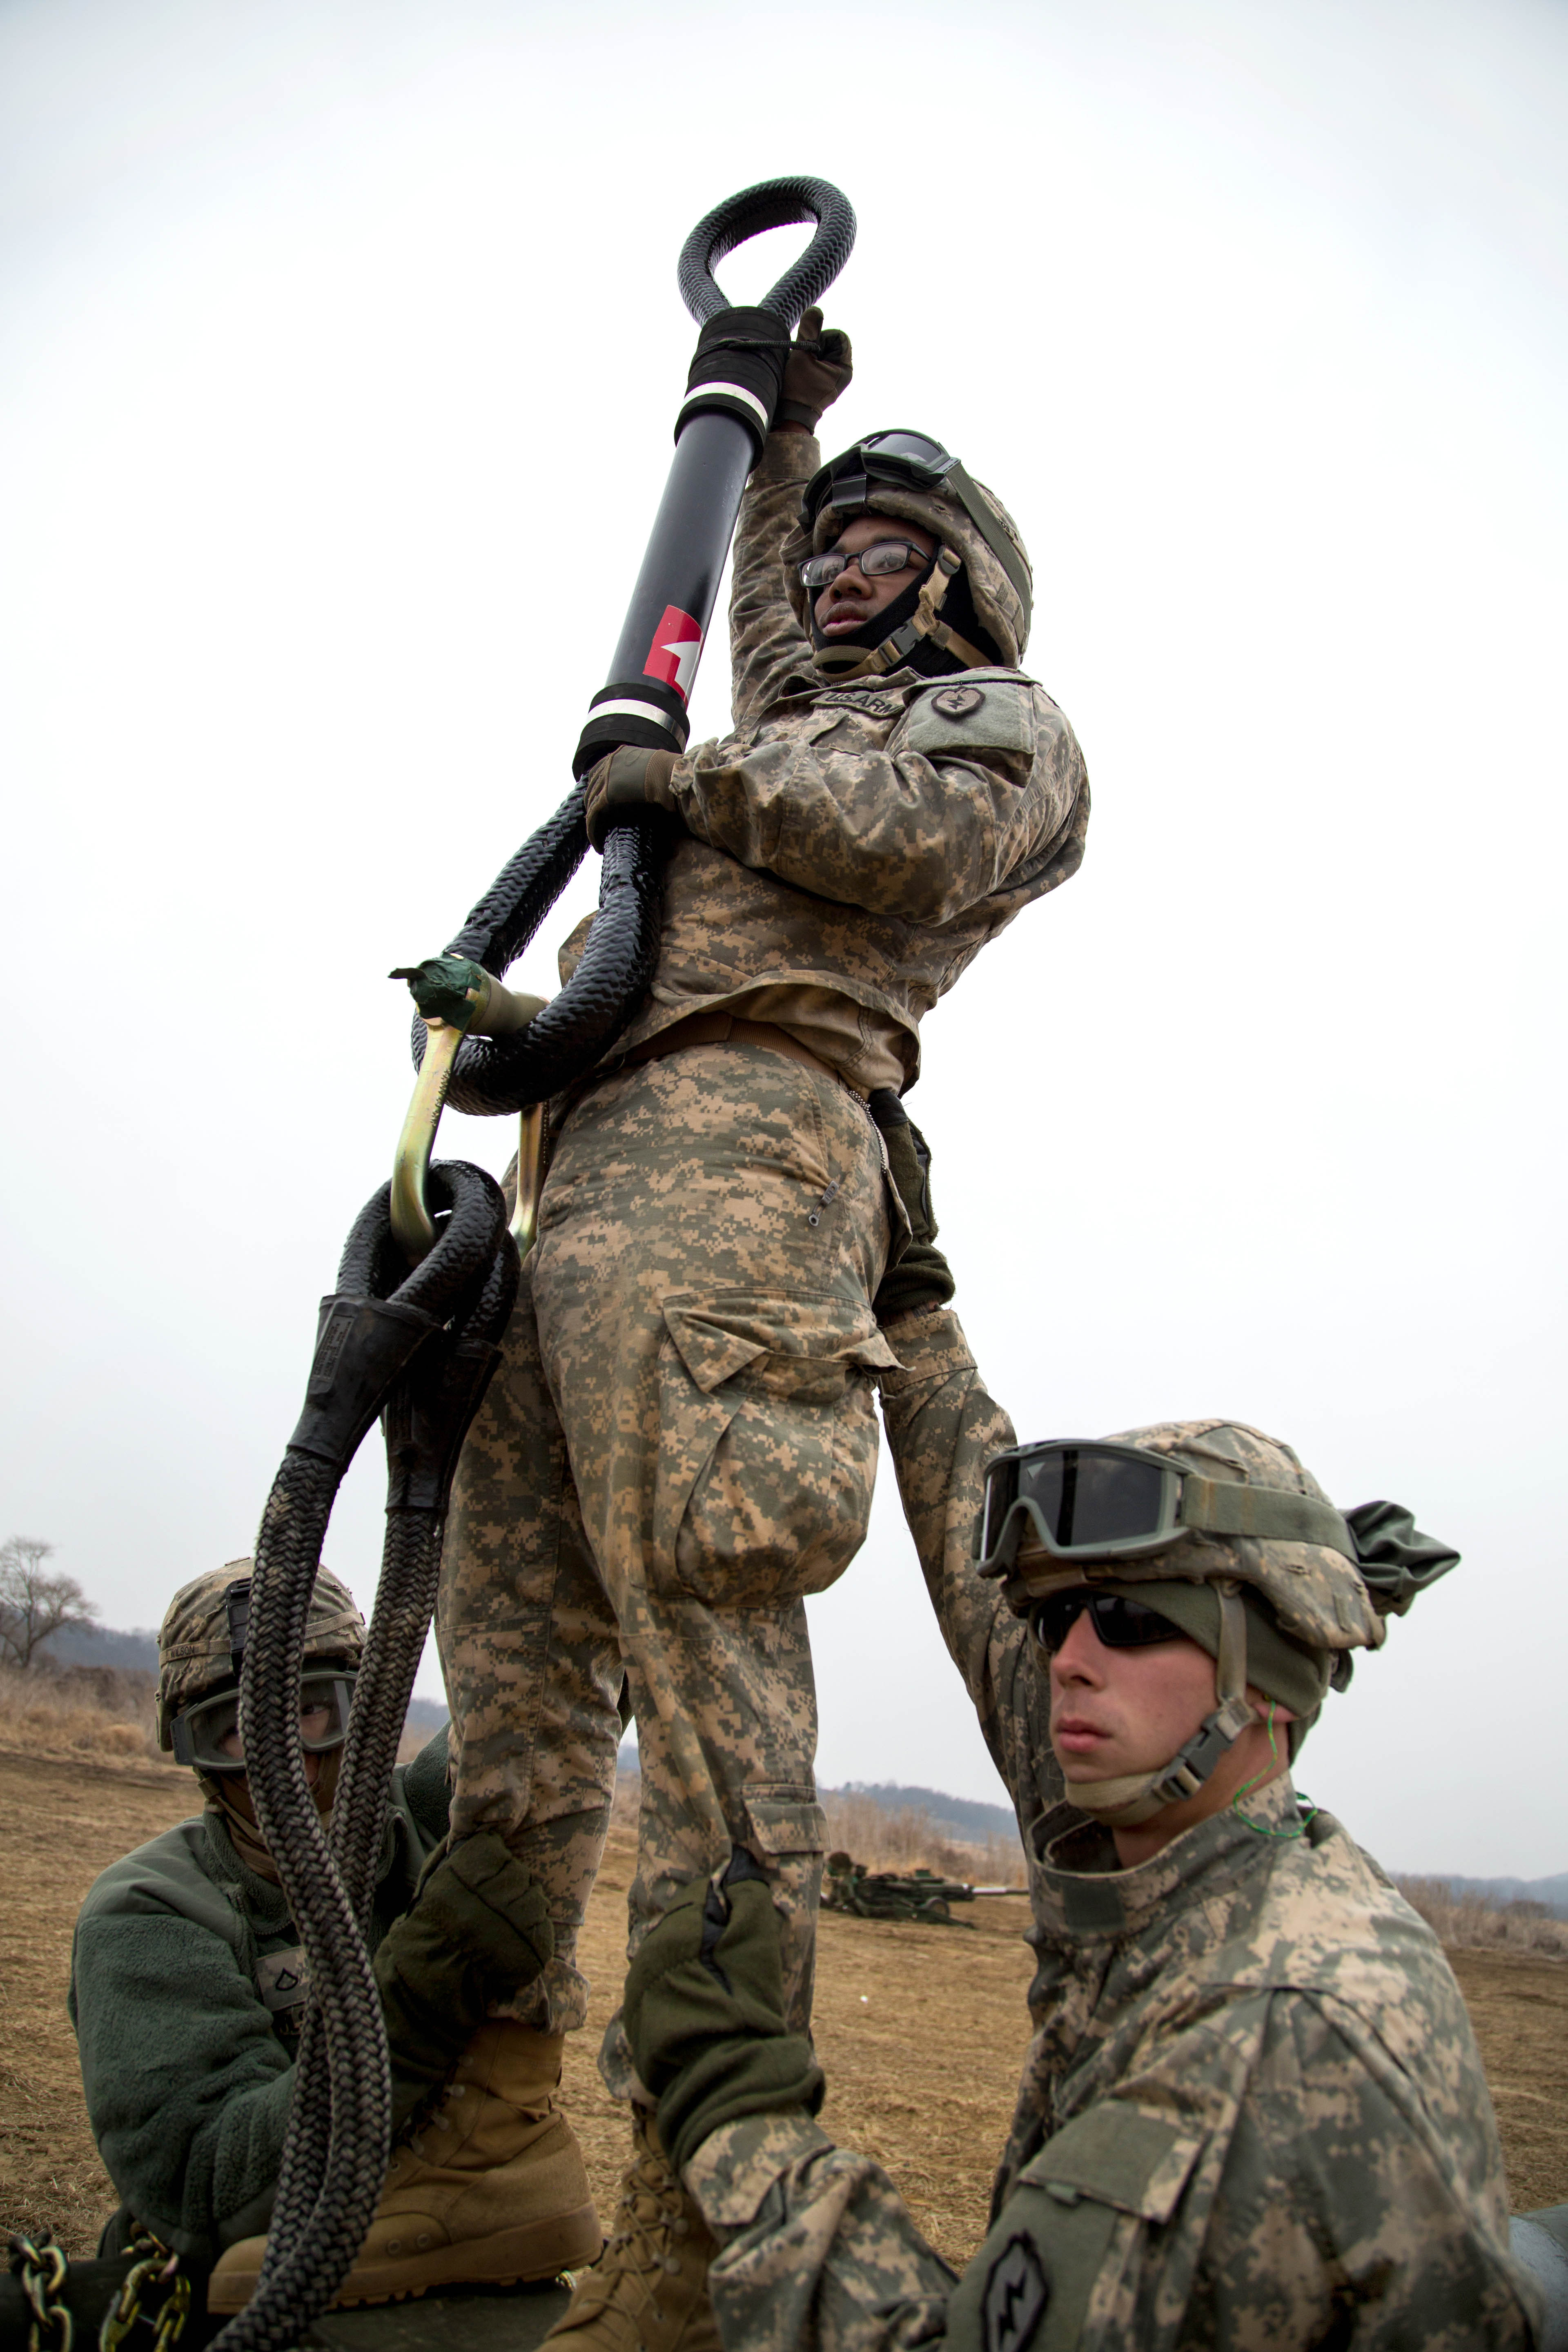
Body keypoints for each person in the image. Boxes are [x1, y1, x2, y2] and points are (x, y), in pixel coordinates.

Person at [438, 315, 1091, 2351]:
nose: (839, 579)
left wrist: (692, 769)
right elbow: (770, 635)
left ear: (963, 587)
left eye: (885, 551)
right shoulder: (802, 696)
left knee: (712, 1686)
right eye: (835, 552)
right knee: (514, 1668)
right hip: (574, 1167)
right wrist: (776, 438)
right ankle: (472, 2139)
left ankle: (698, 2220)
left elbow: (900, 831)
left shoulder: (999, 729)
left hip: (750, 1160)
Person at [618, 1371, 1546, 2350]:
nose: (1069, 1659)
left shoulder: (1272, 2036)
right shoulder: (1209, 1881)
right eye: (1057, 1618)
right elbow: (969, 1552)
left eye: (1133, 1619)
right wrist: (916, 1318)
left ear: (1272, 1666)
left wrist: (736, 2107)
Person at [68, 1561, 598, 2309]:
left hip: (457, 2247)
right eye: (236, 1730)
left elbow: (549, 1701)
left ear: (366, 1703)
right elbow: (205, 2190)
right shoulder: (150, 1911)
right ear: (196, 1750)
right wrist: (418, 1995)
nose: (286, 1763)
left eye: (313, 1710)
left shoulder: (426, 1816)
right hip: (247, 2293)